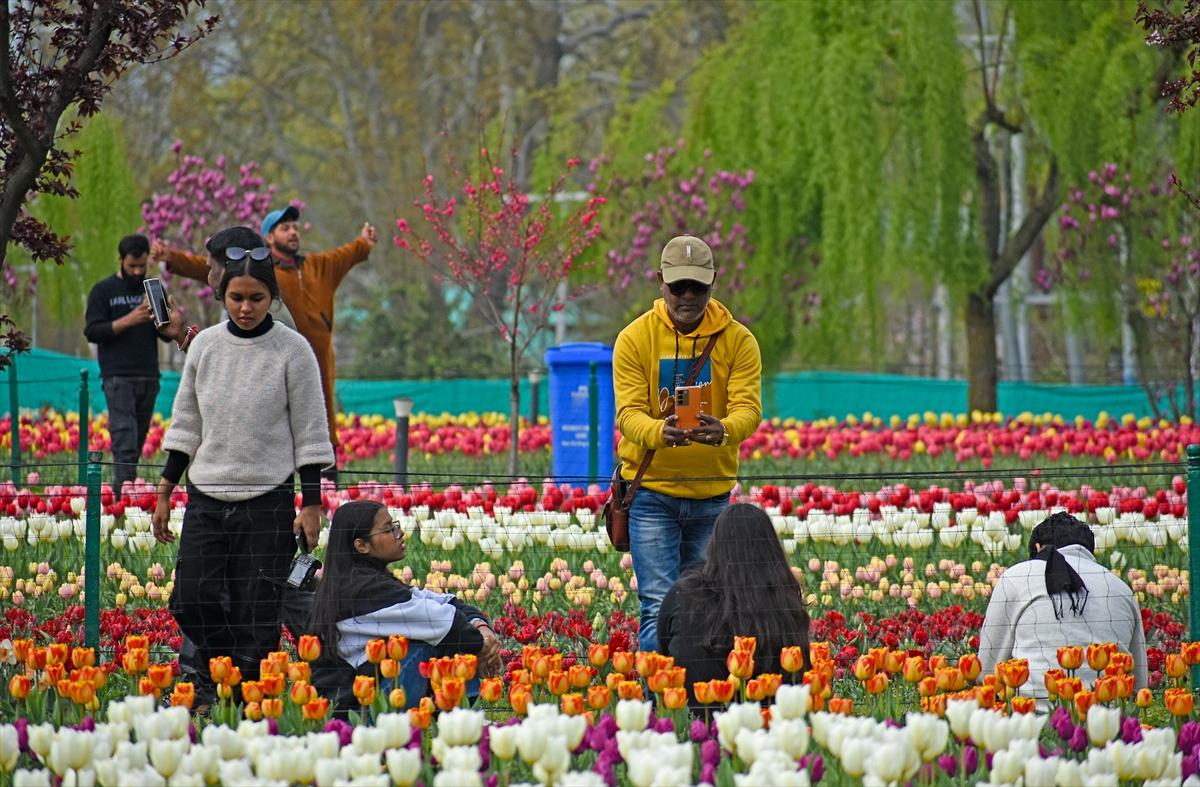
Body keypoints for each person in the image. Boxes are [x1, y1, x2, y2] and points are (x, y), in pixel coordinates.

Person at [151, 229, 333, 705]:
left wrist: (311, 504)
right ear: (223, 295)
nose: (246, 307)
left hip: (268, 500)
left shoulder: (292, 351)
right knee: (189, 599)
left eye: (256, 298)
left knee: (258, 611)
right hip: (206, 497)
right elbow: (186, 422)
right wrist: (166, 489)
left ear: (272, 298)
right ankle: (219, 668)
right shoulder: (207, 346)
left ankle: (249, 700)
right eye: (237, 297)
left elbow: (310, 432)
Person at [613, 235, 762, 652]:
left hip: (712, 495)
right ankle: (654, 705)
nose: (688, 296)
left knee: (707, 608)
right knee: (657, 605)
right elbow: (628, 415)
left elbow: (749, 409)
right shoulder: (634, 339)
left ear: (713, 283)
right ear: (661, 282)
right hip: (652, 495)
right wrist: (660, 433)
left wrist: (726, 430)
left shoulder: (738, 341)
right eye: (678, 286)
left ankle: (698, 702)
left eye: (698, 286)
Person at [152, 208, 379, 478]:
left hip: (264, 468)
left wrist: (364, 243)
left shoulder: (294, 291)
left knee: (318, 441)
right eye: (285, 227)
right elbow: (231, 356)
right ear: (268, 239)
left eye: (295, 226)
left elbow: (237, 364)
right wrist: (182, 332)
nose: (293, 232)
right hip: (243, 469)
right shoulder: (254, 290)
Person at [307, 500, 502, 709]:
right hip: (353, 709)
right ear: (361, 545)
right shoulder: (361, 591)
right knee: (433, 643)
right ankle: (464, 716)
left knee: (443, 637)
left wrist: (482, 629)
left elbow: (446, 602)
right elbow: (444, 621)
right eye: (389, 529)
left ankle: (460, 718)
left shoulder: (371, 581)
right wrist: (483, 647)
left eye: (395, 525)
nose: (399, 534)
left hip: (365, 696)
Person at [978, 511, 1148, 700]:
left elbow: (986, 673)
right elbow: (1139, 684)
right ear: (1089, 551)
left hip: (1029, 719)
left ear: (1038, 547)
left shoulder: (1016, 576)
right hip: (1109, 717)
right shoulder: (1121, 589)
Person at [658, 503, 811, 711]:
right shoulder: (784, 605)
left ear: (714, 546)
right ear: (772, 550)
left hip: (698, 721)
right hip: (771, 724)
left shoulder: (682, 596)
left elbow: (663, 650)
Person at [84, 234, 179, 492]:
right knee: (124, 437)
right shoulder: (104, 291)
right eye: (131, 267)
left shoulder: (153, 289)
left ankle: (129, 492)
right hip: (118, 375)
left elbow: (166, 336)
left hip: (148, 375)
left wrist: (170, 319)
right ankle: (122, 495)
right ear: (121, 260)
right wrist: (131, 319)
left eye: (142, 266)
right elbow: (93, 331)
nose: (137, 272)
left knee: (137, 440)